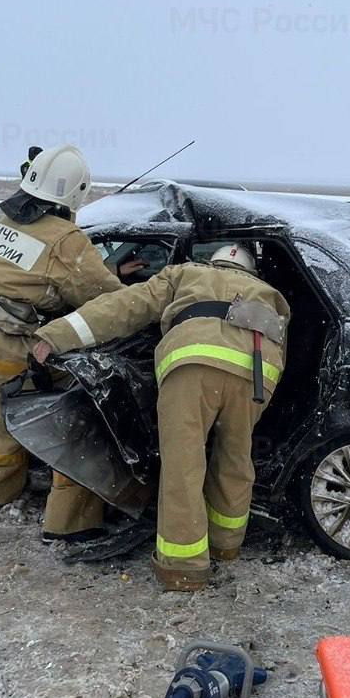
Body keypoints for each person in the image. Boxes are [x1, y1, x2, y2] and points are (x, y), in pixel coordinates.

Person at [32, 244, 290, 592]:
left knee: (184, 465)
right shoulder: (271, 295)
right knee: (234, 459)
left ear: (209, 262)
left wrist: (56, 334)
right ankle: (225, 547)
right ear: (250, 271)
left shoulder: (184, 273)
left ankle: (184, 568)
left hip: (193, 363)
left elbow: (124, 307)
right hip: (256, 374)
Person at [0, 144, 138, 542]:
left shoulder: (10, 221)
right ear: (76, 193)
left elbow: (34, 272)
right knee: (68, 429)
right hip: (12, 347)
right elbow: (102, 296)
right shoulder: (65, 237)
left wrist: (107, 266)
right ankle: (70, 524)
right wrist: (130, 289)